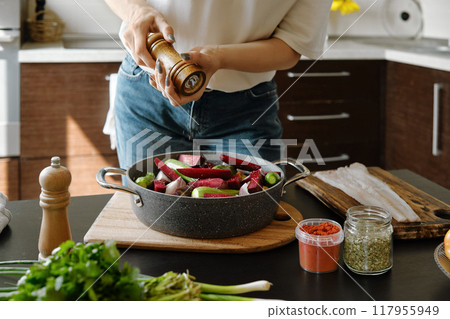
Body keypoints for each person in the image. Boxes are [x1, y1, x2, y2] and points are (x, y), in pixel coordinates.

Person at [104, 0, 332, 170]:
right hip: (148, 98)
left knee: (250, 215)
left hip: (246, 112)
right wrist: (137, 10)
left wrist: (219, 57)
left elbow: (291, 46)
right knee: (151, 215)